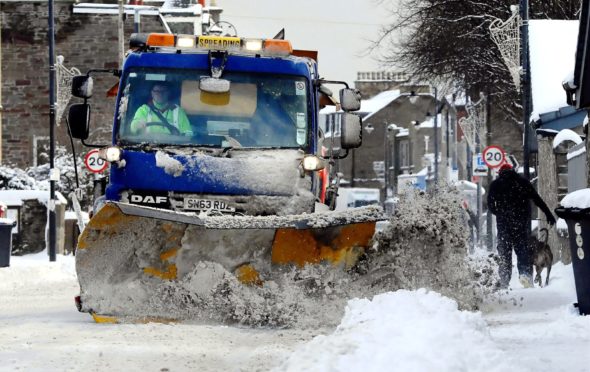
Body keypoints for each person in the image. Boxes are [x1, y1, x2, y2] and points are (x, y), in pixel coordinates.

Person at [487, 163, 556, 288]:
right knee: (522, 250)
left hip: (504, 226)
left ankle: (504, 280)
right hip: (520, 224)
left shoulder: (495, 185)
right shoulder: (522, 182)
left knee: (504, 253)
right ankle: (525, 276)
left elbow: (491, 205)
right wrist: (549, 215)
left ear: (500, 173)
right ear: (513, 171)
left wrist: (499, 213)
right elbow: (537, 200)